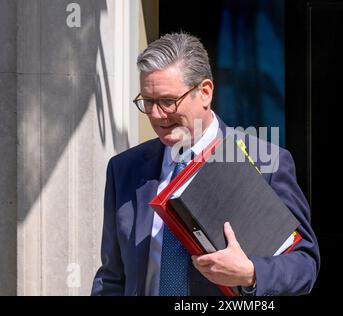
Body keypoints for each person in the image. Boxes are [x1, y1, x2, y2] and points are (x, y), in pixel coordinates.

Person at [91, 32, 320, 296]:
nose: (156, 115)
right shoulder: (124, 169)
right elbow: (111, 277)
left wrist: (250, 273)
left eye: (167, 101)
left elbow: (304, 264)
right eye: (148, 102)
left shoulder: (265, 163)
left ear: (205, 92)